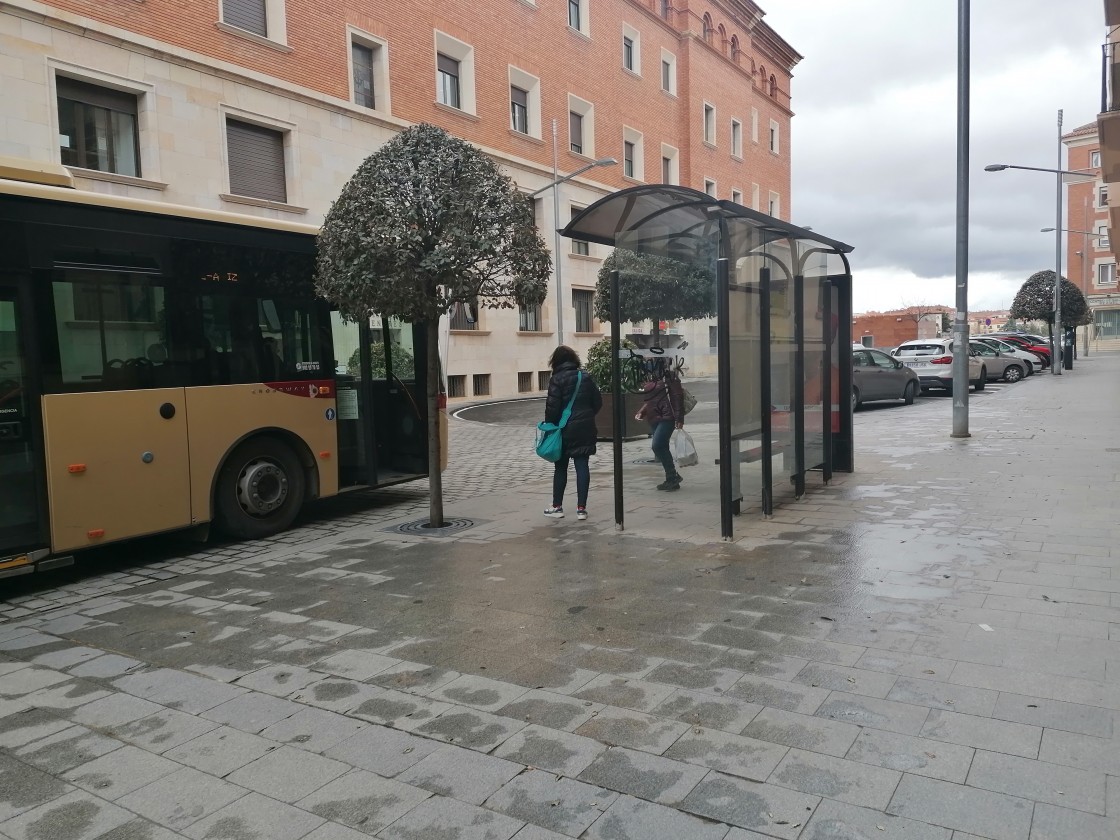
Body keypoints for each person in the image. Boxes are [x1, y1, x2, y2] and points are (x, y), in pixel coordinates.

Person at [542, 345, 602, 521]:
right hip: (585, 427)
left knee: (560, 467)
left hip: (563, 429)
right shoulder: (585, 376)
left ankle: (557, 507)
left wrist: (551, 426)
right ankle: (581, 509)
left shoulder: (557, 379)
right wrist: (587, 415)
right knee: (582, 465)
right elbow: (597, 402)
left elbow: (552, 409)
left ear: (556, 361)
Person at [636, 356, 685, 491]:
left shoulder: (670, 376)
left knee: (657, 445)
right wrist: (642, 412)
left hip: (667, 416)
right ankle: (672, 477)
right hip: (654, 417)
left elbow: (677, 397)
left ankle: (672, 476)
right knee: (661, 447)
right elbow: (650, 400)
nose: (649, 363)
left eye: (651, 361)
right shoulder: (651, 378)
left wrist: (679, 418)